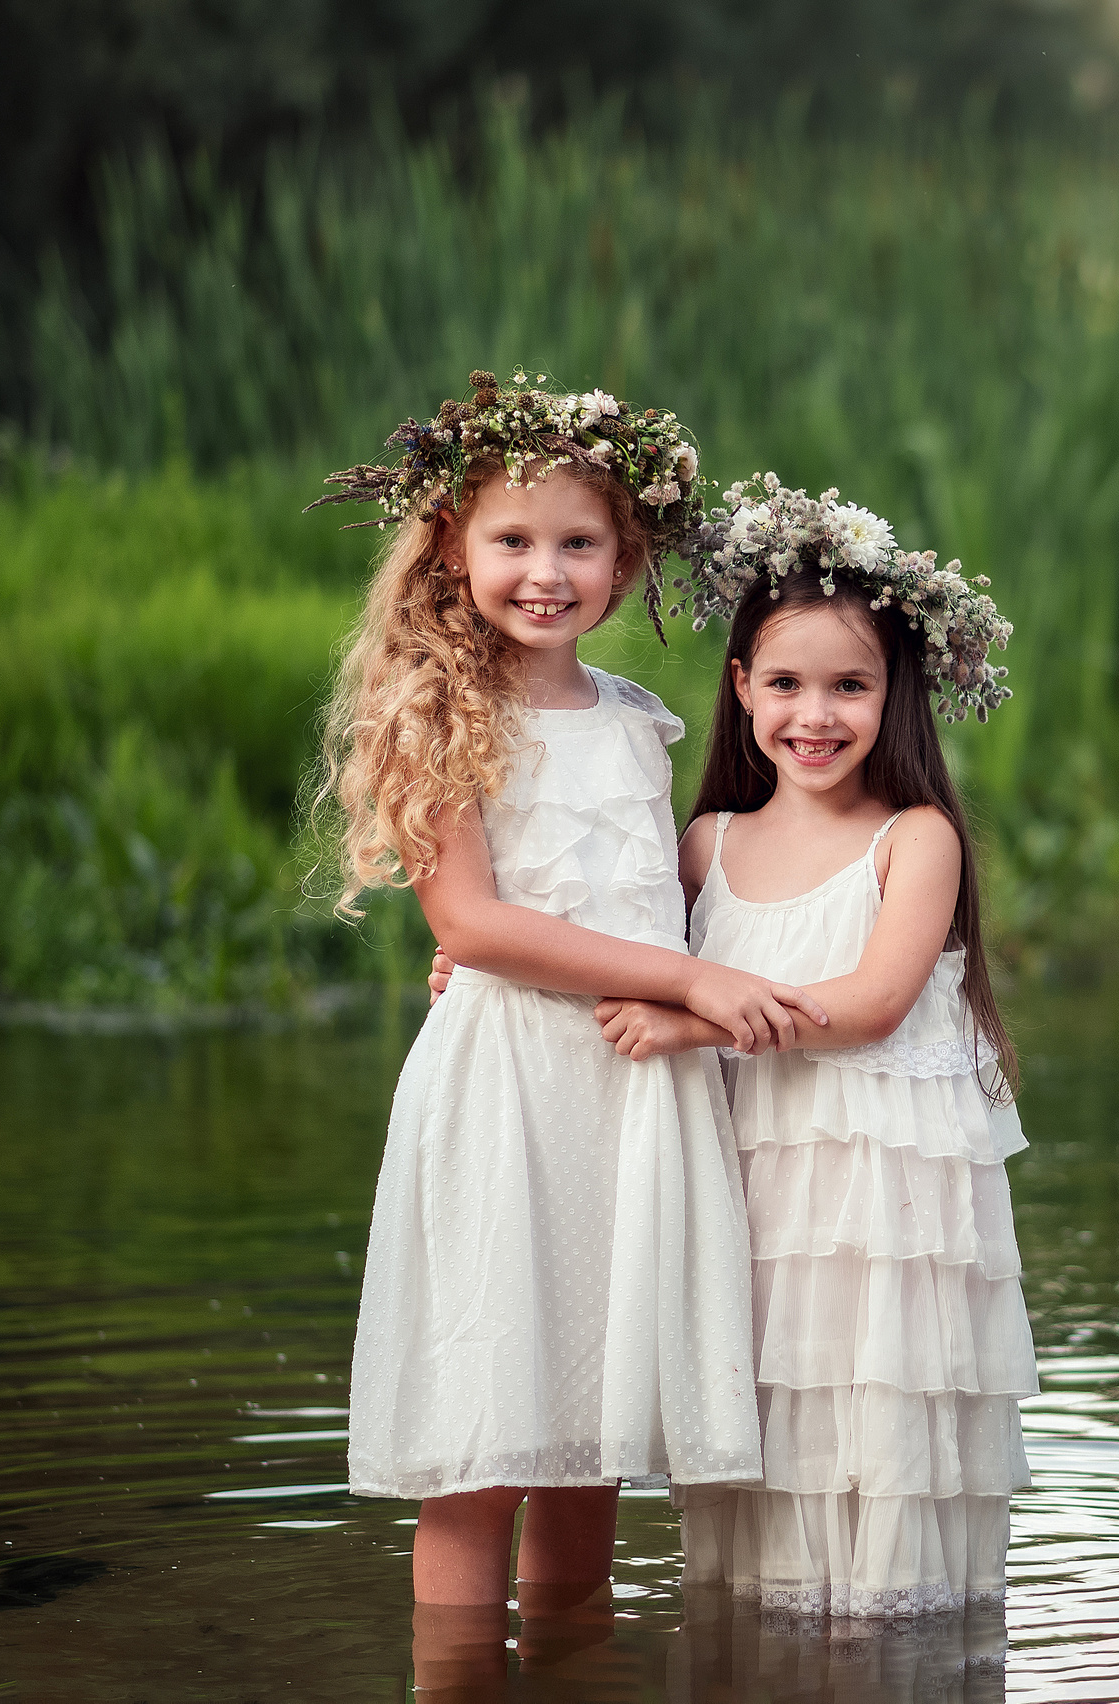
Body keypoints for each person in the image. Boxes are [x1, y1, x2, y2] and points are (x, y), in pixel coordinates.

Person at [312, 373, 828, 1616]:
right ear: (453, 547)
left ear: (624, 554)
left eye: (578, 543)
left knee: (592, 1434)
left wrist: (716, 977)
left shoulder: (633, 721)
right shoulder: (438, 709)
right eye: (513, 540)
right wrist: (691, 976)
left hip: (633, 1093)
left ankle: (574, 1668)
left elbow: (642, 896)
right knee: (488, 1434)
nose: (546, 571)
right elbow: (475, 921)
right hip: (508, 1093)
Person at [588, 474, 1035, 1623]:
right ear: (740, 689)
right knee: (768, 1424)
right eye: (784, 683)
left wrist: (695, 1017)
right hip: (751, 1196)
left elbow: (876, 1003)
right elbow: (599, 945)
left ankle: (889, 1653)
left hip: (879, 1211)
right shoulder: (706, 846)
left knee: (871, 1419)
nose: (815, 715)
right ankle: (759, 1650)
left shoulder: (913, 839)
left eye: (850, 686)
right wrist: (475, 966)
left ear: (897, 694)